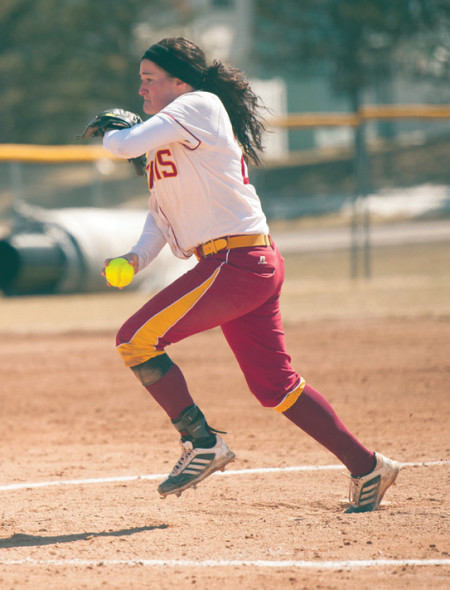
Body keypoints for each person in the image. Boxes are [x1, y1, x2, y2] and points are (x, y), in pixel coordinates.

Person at [93, 37, 400, 511]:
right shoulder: (172, 134)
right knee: (274, 387)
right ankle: (368, 467)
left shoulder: (199, 103)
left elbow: (123, 144)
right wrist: (134, 259)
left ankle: (201, 441)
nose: (141, 91)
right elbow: (160, 216)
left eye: (149, 80)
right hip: (246, 263)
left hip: (234, 263)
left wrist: (115, 134)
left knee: (134, 340)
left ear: (180, 81)